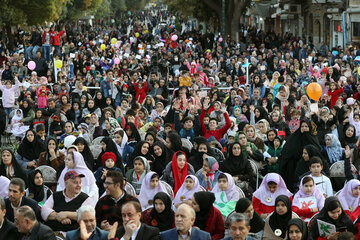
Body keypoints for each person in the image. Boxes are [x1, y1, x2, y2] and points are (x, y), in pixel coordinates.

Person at [280, 119, 321, 192]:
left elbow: (317, 151)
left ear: (309, 128)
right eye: (302, 126)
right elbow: (286, 151)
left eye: (306, 126)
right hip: (294, 164)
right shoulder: (294, 137)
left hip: (309, 163)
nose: (304, 128)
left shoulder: (313, 138)